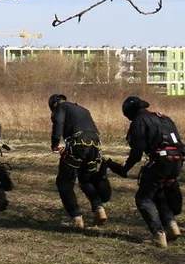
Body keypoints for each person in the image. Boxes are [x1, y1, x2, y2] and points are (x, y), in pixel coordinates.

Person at [105, 96, 184, 247]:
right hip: (176, 160)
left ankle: (158, 234)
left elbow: (137, 151)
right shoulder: (164, 118)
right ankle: (172, 226)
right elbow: (178, 142)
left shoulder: (139, 121)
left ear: (129, 111)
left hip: (160, 161)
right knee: (159, 193)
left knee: (143, 198)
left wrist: (124, 169)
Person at [50, 93, 111, 229]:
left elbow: (58, 124)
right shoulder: (83, 109)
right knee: (85, 180)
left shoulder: (60, 107)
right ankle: (99, 209)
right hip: (94, 145)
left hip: (78, 144)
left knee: (64, 182)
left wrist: (54, 143)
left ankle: (76, 218)